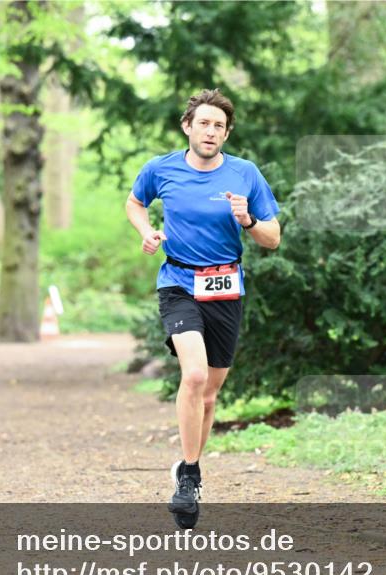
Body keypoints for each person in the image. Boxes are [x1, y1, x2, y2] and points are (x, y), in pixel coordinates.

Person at [125, 88, 281, 527]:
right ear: (187, 127)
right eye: (204, 123)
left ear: (226, 134)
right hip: (178, 282)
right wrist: (147, 231)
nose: (211, 132)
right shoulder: (161, 169)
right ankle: (190, 477)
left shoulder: (245, 174)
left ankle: (187, 465)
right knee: (193, 376)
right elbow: (135, 203)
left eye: (219, 126)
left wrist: (248, 220)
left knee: (209, 394)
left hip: (226, 287)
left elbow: (273, 237)